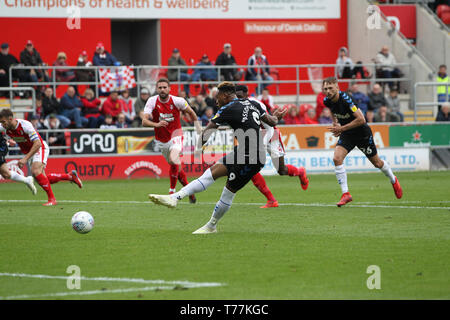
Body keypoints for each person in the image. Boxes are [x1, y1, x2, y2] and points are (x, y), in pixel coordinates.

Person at [148, 82, 287, 234]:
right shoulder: (252, 102)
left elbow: (206, 134)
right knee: (210, 173)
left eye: (218, 97)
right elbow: (272, 122)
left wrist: (197, 147)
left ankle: (211, 226)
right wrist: (277, 116)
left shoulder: (227, 109)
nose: (216, 101)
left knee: (228, 191)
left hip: (252, 158)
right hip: (243, 151)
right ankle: (175, 197)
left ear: (226, 95)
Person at [322, 77, 402, 207]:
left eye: (331, 88)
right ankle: (346, 194)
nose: (328, 91)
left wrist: (341, 128)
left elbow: (361, 119)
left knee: (377, 163)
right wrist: (335, 122)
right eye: (325, 89)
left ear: (337, 87)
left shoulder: (347, 99)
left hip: (361, 134)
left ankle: (393, 179)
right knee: (337, 158)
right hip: (347, 134)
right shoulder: (327, 101)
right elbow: (333, 111)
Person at [236, 85, 309, 208]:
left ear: (246, 94)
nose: (238, 99)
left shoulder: (256, 104)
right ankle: (271, 200)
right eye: (236, 97)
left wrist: (262, 144)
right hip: (255, 138)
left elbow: (269, 128)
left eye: (240, 96)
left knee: (282, 170)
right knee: (251, 168)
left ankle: (300, 172)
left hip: (272, 136)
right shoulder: (236, 107)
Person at [0, 109, 83, 206]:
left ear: (10, 119)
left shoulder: (25, 125)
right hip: (30, 151)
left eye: (3, 122)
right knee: (41, 178)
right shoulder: (3, 127)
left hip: (39, 147)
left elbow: (38, 143)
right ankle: (69, 176)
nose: (2, 124)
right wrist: (8, 141)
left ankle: (52, 199)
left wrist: (25, 159)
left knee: (35, 171)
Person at [142, 78, 201, 202]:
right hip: (161, 140)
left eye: (164, 87)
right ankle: (189, 192)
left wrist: (198, 127)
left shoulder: (178, 101)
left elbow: (191, 112)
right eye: (160, 87)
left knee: (174, 159)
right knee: (177, 169)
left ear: (169, 89)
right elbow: (144, 121)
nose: (162, 90)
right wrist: (157, 124)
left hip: (176, 135)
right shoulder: (152, 101)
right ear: (156, 89)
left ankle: (171, 192)